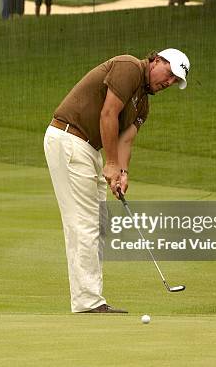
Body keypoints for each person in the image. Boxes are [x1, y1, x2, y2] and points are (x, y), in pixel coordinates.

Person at [44, 49, 191, 313]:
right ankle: (88, 302)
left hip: (88, 148)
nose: (168, 82)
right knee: (85, 224)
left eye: (174, 81)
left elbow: (126, 139)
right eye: (169, 74)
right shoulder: (129, 67)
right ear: (156, 60)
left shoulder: (143, 103)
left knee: (98, 224)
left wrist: (122, 172)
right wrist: (110, 164)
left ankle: (89, 299)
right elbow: (108, 114)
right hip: (69, 138)